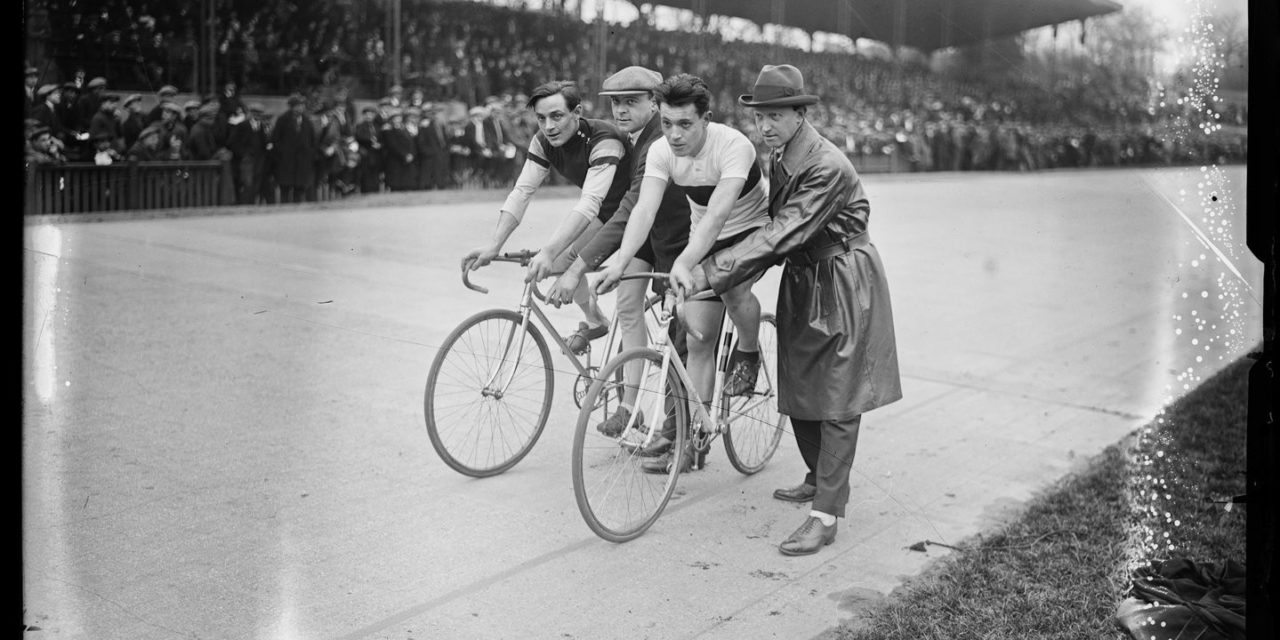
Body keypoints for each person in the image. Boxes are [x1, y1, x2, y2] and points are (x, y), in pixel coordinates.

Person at [672, 64, 903, 556]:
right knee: (797, 383)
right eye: (760, 117)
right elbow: (771, 230)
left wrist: (710, 273)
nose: (766, 126)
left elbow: (782, 232)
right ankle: (818, 478)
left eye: (777, 115)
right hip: (805, 274)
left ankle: (826, 515)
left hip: (843, 279)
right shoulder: (779, 155)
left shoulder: (826, 165)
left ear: (801, 113)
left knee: (839, 398)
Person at [590, 73, 769, 473]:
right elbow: (644, 210)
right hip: (702, 230)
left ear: (707, 119)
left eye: (685, 124)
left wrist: (685, 263)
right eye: (667, 123)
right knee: (698, 337)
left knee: (733, 290)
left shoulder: (733, 145)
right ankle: (693, 442)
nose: (673, 134)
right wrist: (620, 262)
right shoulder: (661, 150)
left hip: (747, 230)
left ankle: (750, 349)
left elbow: (721, 212)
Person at [545, 66, 692, 459]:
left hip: (682, 239)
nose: (622, 110)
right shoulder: (629, 140)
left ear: (655, 103)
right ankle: (630, 409)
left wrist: (579, 263)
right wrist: (572, 252)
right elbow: (614, 206)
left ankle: (682, 437)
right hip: (646, 235)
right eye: (616, 103)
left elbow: (630, 207)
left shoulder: (658, 140)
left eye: (632, 101)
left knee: (683, 336)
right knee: (628, 307)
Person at [461, 80, 633, 354]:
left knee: (561, 260)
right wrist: (494, 244)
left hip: (631, 211)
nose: (548, 126)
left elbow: (590, 204)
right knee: (558, 262)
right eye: (541, 118)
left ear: (577, 112)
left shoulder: (604, 140)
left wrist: (550, 252)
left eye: (557, 116)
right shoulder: (543, 141)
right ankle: (595, 320)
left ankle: (601, 323)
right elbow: (521, 192)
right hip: (604, 210)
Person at [271, 93, 319, 203]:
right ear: (291, 106)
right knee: (285, 189)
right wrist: (281, 154)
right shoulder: (283, 120)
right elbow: (276, 139)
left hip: (302, 161)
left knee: (299, 190)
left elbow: (312, 141)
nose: (300, 108)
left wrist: (310, 154)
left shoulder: (307, 121)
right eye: (297, 105)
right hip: (286, 161)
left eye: (302, 105)